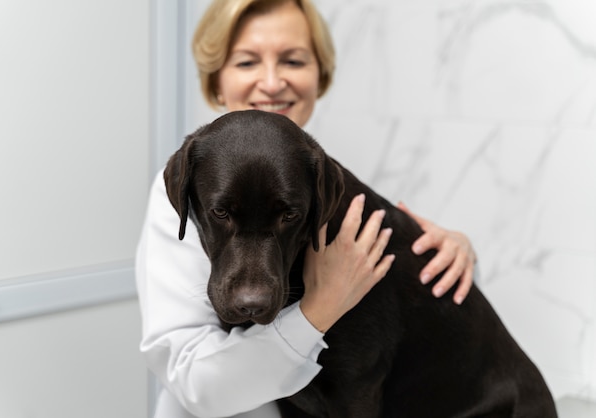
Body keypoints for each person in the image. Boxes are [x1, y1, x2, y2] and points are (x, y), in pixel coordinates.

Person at [136, 0, 478, 417]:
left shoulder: (324, 177)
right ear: (216, 80)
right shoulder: (185, 181)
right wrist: (323, 305)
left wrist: (456, 251)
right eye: (246, 62)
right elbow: (194, 384)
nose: (272, 81)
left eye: (293, 60)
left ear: (320, 76)